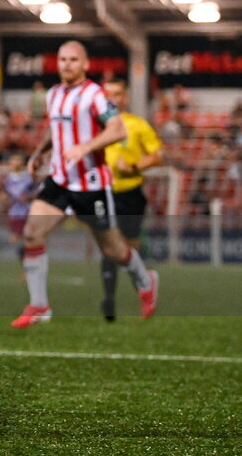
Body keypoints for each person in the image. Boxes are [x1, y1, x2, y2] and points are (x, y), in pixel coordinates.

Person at [13, 41, 158, 328]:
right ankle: (40, 305)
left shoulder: (95, 95)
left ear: (85, 64)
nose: (67, 64)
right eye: (62, 59)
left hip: (90, 184)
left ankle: (145, 279)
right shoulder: (54, 94)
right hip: (60, 179)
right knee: (32, 232)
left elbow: (116, 129)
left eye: (73, 60)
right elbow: (57, 130)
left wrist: (84, 148)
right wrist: (40, 152)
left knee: (114, 250)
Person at [99, 78, 164, 322]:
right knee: (108, 248)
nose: (113, 98)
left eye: (118, 93)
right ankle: (109, 301)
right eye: (109, 94)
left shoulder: (137, 125)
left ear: (125, 97)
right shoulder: (96, 126)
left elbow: (157, 155)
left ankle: (144, 286)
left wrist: (135, 166)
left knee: (129, 250)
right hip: (103, 192)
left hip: (130, 194)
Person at [1, 153, 38, 267]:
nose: (14, 163)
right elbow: (4, 194)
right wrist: (3, 199)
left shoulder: (28, 177)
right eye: (13, 161)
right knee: (16, 238)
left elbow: (39, 192)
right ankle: (26, 263)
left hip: (27, 211)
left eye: (17, 160)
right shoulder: (7, 179)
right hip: (15, 213)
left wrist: (29, 197)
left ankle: (30, 263)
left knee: (27, 238)